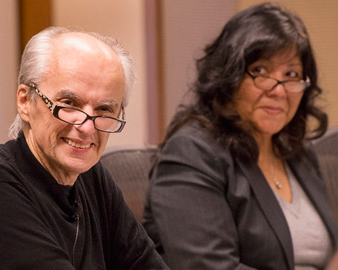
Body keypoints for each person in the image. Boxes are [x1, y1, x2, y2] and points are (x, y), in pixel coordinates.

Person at [0, 26, 168, 269]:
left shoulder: (92, 177)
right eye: (68, 103)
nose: (87, 128)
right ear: (25, 101)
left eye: (104, 110)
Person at [143, 3, 338, 270]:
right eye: (260, 71)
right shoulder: (191, 152)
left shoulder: (296, 151)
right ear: (228, 76)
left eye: (290, 75)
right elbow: (207, 266)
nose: (278, 90)